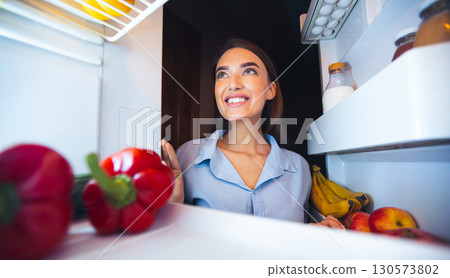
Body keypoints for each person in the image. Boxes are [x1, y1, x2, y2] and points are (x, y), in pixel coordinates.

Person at [161, 38, 344, 229]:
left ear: (271, 89)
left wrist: (312, 233)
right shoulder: (187, 156)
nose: (233, 84)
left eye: (249, 71)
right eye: (222, 75)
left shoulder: (299, 168)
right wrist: (172, 207)